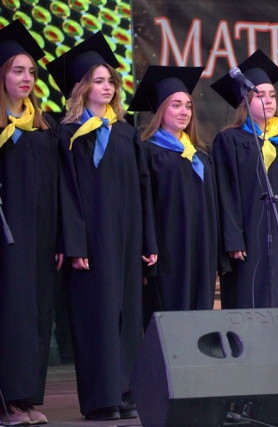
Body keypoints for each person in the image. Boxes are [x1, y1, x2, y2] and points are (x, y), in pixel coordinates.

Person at [47, 32, 157, 420]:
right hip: (91, 243)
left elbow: (143, 189)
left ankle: (126, 392)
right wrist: (75, 244)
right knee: (96, 317)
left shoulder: (126, 133)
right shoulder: (66, 135)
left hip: (126, 240)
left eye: (111, 80)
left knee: (127, 316)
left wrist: (148, 241)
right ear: (82, 88)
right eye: (98, 80)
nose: (107, 87)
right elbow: (65, 194)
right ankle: (100, 398)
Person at [210, 49, 278, 311]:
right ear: (244, 101)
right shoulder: (230, 140)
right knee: (249, 298)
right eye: (259, 95)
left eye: (272, 95)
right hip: (248, 239)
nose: (268, 101)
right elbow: (225, 192)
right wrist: (233, 238)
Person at [0, 20, 61, 425]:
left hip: (37, 234)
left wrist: (59, 238)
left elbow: (55, 186)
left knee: (35, 313)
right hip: (5, 232)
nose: (27, 78)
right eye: (17, 70)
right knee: (10, 312)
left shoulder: (42, 127)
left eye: (32, 72)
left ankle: (24, 399)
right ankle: (5, 403)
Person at [129, 65, 220, 325]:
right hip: (168, 248)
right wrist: (148, 246)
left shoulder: (200, 155)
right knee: (170, 316)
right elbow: (144, 204)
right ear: (161, 110)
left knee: (201, 318)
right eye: (176, 105)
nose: (184, 112)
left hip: (201, 248)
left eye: (188, 106)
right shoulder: (147, 151)